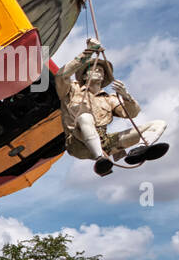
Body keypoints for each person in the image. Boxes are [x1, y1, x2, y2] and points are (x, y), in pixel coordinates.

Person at [53, 39, 168, 176]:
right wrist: (88, 52)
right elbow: (61, 75)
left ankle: (140, 150)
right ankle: (100, 158)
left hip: (105, 142)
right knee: (85, 117)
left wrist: (126, 96)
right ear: (84, 75)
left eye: (101, 70)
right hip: (78, 142)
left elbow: (132, 113)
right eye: (94, 69)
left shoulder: (110, 99)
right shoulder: (71, 90)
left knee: (160, 123)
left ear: (103, 77)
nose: (98, 70)